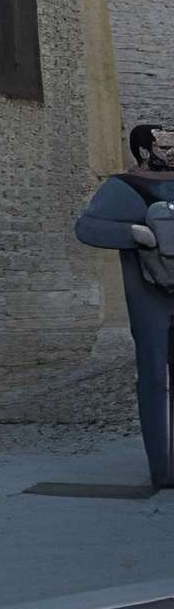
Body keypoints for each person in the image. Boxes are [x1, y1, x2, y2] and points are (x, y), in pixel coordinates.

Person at [76, 136, 174, 490]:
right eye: (165, 143)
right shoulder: (124, 186)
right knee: (153, 378)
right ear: (146, 149)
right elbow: (87, 227)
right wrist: (135, 233)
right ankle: (163, 469)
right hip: (148, 295)